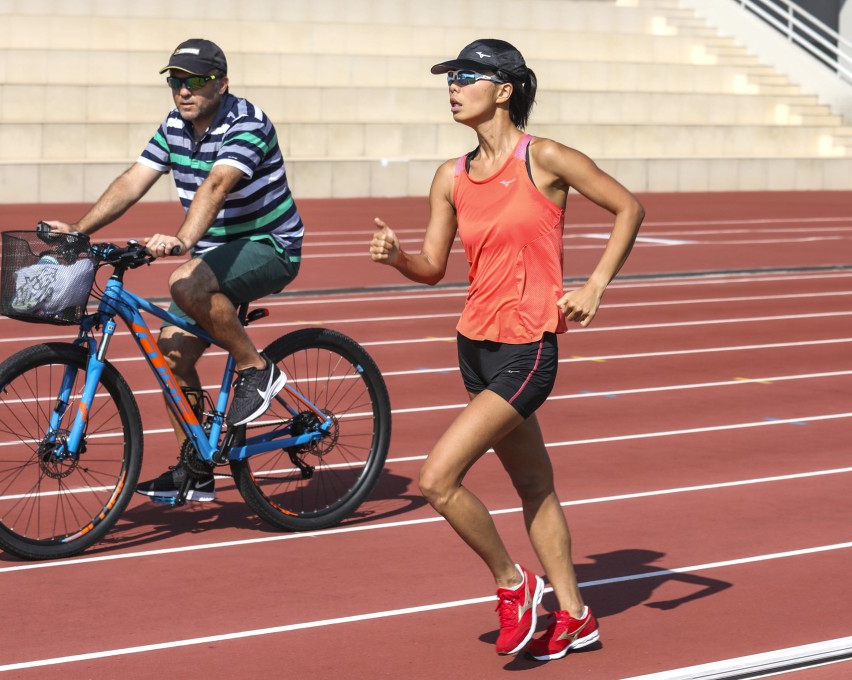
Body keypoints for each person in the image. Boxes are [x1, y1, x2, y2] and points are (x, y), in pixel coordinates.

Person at [369, 39, 644, 660]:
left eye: (465, 76)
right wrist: (398, 259)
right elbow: (434, 267)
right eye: (449, 78)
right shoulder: (451, 176)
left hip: (528, 349)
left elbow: (629, 206)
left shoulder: (544, 157)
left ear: (504, 88)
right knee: (535, 486)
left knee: (437, 479)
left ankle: (513, 583)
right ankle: (575, 615)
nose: (452, 87)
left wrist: (595, 285)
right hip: (474, 347)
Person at [46, 38, 303, 503]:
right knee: (170, 354)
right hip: (214, 255)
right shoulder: (174, 125)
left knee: (185, 280)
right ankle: (196, 467)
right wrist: (80, 231)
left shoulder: (247, 123)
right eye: (176, 80)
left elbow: (217, 184)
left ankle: (256, 368)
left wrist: (183, 240)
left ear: (222, 84)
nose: (184, 91)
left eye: (197, 81)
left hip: (270, 246)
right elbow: (133, 180)